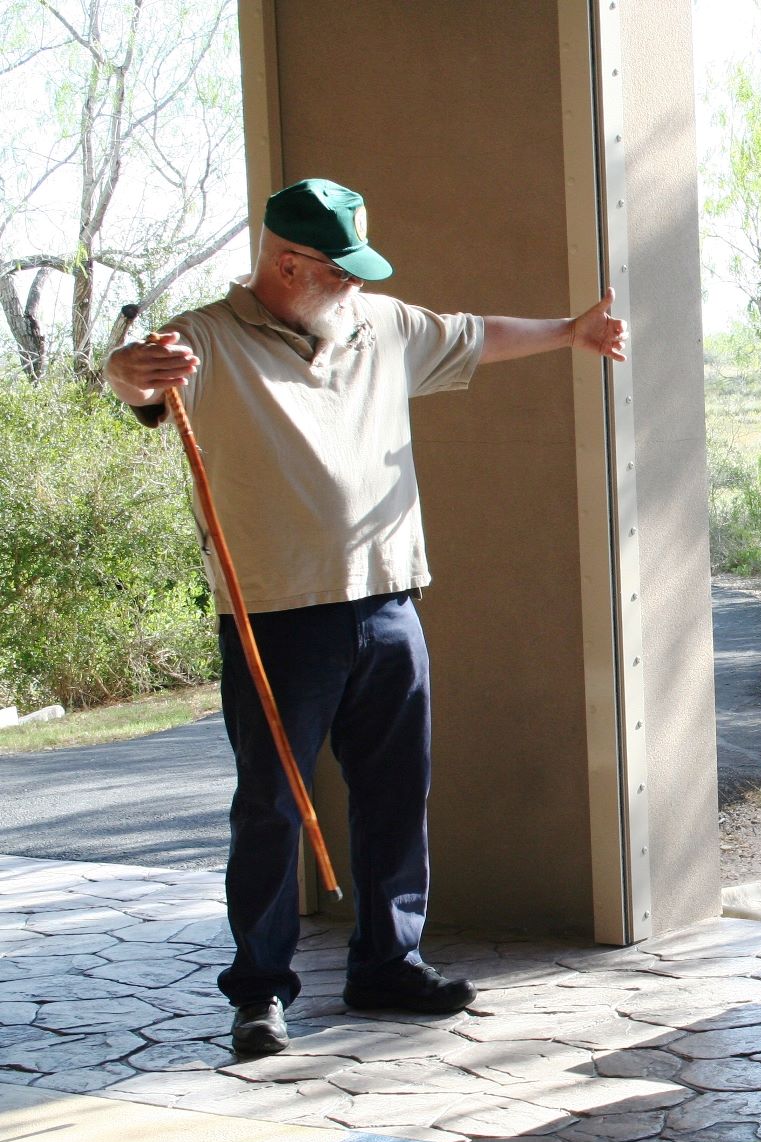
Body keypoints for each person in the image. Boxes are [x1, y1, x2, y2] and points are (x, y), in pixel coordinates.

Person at [103, 178, 628, 1057]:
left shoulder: (377, 325)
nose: (354, 284)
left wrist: (569, 333)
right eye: (339, 271)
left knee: (395, 791)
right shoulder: (203, 341)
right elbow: (132, 378)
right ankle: (260, 992)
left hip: (389, 601)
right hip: (276, 616)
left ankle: (389, 961)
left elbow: (475, 333)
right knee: (272, 804)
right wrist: (127, 370)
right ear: (286, 262)